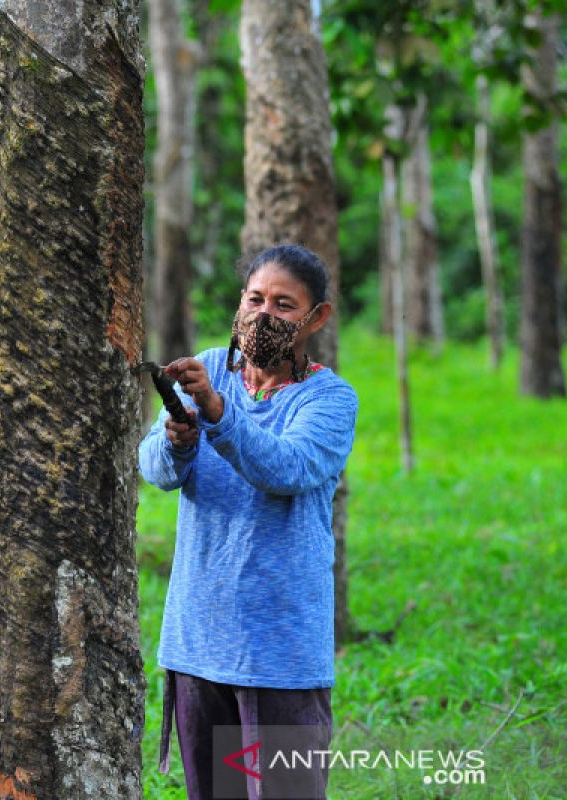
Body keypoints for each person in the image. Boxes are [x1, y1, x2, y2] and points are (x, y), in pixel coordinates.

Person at [139, 244, 358, 800]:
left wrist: (216, 413)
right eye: (255, 298)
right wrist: (177, 442)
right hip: (198, 643)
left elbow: (285, 467)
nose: (265, 315)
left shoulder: (330, 400)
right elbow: (153, 467)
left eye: (284, 305)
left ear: (317, 318)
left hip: (280, 651)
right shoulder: (210, 369)